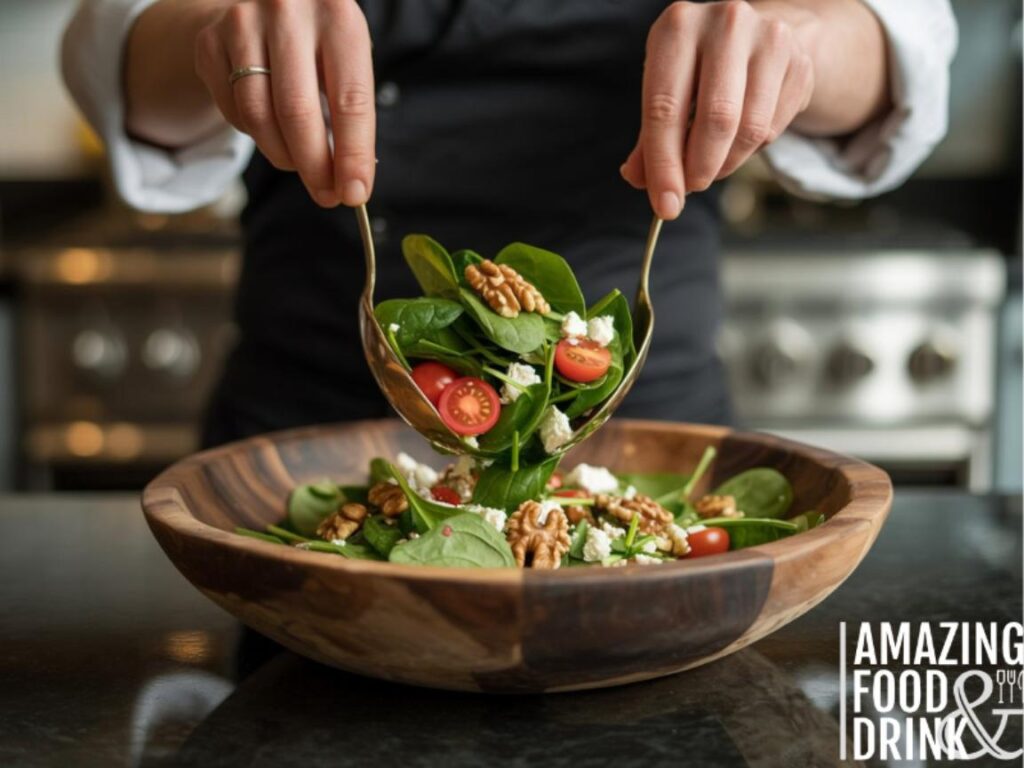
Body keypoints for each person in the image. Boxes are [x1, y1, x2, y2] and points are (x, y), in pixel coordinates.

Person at [63, 0, 956, 448]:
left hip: (646, 428)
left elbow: (904, 41)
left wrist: (796, 39)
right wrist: (221, 33)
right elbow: (111, 44)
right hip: (299, 438)